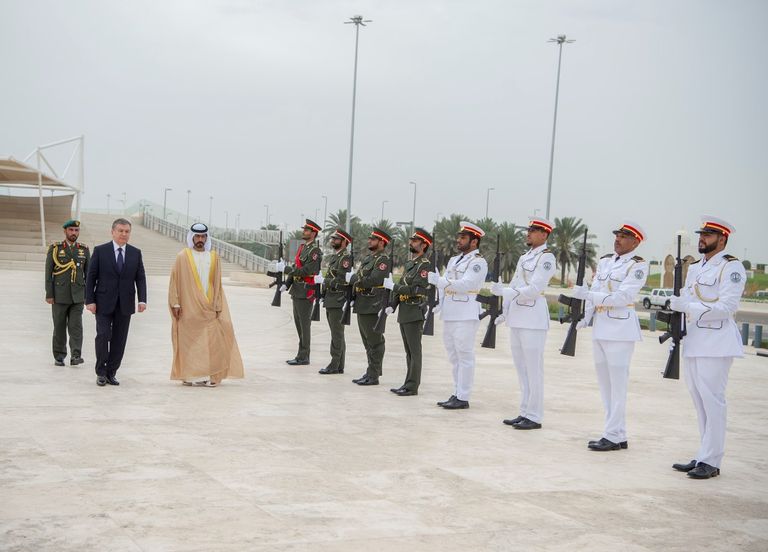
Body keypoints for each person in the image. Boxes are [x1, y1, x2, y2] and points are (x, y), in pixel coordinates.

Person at [669, 216, 745, 480]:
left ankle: (712, 460)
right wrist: (678, 303)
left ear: (722, 239)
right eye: (702, 234)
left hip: (717, 342)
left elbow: (727, 308)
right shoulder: (696, 267)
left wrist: (688, 307)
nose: (702, 238)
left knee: (713, 402)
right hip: (694, 340)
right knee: (699, 402)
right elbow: (689, 297)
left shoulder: (731, 268)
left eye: (708, 235)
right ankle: (704, 454)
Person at [570, 221, 648, 451]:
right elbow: (596, 290)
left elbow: (623, 297)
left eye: (624, 236)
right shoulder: (605, 261)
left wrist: (590, 296)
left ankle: (612, 435)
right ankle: (617, 433)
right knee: (606, 385)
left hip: (621, 330)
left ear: (635, 242)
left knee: (618, 385)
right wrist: (585, 316)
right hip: (601, 327)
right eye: (617, 235)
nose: (618, 239)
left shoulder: (638, 266)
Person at [491, 217, 556, 429]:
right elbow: (516, 283)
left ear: (544, 234)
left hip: (533, 318)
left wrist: (507, 292)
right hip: (518, 317)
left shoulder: (547, 258)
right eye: (528, 230)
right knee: (522, 369)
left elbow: (535, 288)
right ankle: (525, 411)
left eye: (534, 230)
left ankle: (535, 416)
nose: (528, 233)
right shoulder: (525, 257)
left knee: (533, 369)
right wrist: (505, 310)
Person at [168, 223, 244, 387]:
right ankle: (191, 375)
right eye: (197, 236)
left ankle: (210, 375)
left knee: (211, 342)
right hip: (188, 307)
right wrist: (175, 303)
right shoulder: (182, 256)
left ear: (207, 238)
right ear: (192, 237)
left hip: (209, 307)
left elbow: (217, 283)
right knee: (190, 342)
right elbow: (174, 281)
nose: (200, 240)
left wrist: (217, 303)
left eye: (203, 237)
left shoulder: (214, 257)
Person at [429, 221, 488, 409]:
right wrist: (439, 301)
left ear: (474, 242)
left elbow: (466, 285)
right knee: (453, 356)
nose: (458, 240)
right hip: (450, 312)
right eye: (459, 237)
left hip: (466, 312)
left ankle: (463, 396)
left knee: (465, 355)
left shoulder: (478, 262)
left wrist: (439, 282)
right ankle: (456, 392)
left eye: (463, 238)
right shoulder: (454, 260)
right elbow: (447, 283)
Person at [85, 218, 147, 387]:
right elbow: (91, 277)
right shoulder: (100, 251)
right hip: (103, 302)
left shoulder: (136, 253)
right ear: (112, 232)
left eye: (127, 231)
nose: (123, 234)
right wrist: (89, 300)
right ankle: (101, 372)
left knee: (119, 340)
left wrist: (142, 300)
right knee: (103, 335)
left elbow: (140, 278)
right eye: (120, 231)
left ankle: (111, 372)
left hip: (125, 304)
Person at [384, 228, 434, 396]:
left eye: (414, 241)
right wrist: (393, 303)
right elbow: (403, 287)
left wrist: (395, 287)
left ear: (424, 245)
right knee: (408, 351)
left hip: (414, 310)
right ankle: (408, 382)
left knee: (414, 351)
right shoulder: (411, 264)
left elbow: (416, 288)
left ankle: (412, 386)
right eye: (411, 240)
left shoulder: (425, 266)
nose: (410, 243)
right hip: (405, 310)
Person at [348, 228, 392, 386]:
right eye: (370, 239)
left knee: (375, 341)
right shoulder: (369, 259)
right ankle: (370, 371)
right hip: (362, 303)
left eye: (373, 239)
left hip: (373, 304)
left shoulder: (383, 261)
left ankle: (374, 375)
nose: (369, 241)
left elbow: (374, 279)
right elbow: (363, 276)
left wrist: (355, 279)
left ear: (381, 242)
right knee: (367, 341)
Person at [276, 219, 322, 366]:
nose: (304, 232)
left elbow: (308, 270)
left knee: (304, 325)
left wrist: (287, 269)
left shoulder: (315, 251)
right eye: (304, 230)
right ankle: (300, 354)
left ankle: (304, 356)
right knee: (298, 324)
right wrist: (287, 283)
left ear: (313, 233)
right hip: (297, 290)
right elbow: (297, 267)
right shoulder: (302, 248)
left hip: (306, 291)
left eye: (307, 230)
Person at [45, 219, 90, 366]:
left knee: (76, 327)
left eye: (76, 230)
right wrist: (49, 294)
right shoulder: (56, 248)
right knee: (59, 326)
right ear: (65, 231)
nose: (74, 233)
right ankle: (59, 355)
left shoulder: (84, 249)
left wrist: (88, 296)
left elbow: (88, 274)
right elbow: (49, 273)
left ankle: (75, 356)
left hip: (78, 295)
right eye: (71, 230)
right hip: (59, 294)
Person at [315, 228, 353, 375]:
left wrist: (325, 281)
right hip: (331, 298)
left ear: (344, 242)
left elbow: (342, 280)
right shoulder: (335, 257)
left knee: (337, 334)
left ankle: (334, 363)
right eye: (332, 239)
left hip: (338, 299)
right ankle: (339, 365)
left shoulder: (345, 259)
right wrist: (323, 293)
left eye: (336, 239)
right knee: (337, 333)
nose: (333, 241)